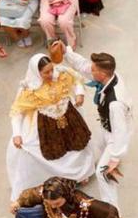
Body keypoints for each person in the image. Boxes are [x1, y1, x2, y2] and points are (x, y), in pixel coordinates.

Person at [6, 52, 97, 197]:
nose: (50, 74)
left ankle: (80, 173)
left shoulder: (61, 74)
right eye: (45, 72)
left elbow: (76, 80)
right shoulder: (29, 89)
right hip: (46, 124)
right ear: (37, 73)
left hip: (69, 116)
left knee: (77, 144)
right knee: (45, 151)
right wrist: (17, 134)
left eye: (51, 69)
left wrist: (80, 93)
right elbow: (17, 111)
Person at [63, 47, 131, 208]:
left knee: (103, 173)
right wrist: (67, 53)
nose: (90, 71)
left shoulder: (115, 103)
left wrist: (115, 158)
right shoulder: (109, 76)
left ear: (101, 74)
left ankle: (112, 211)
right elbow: (84, 66)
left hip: (115, 135)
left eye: (94, 70)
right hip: (106, 126)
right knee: (97, 145)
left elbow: (121, 131)